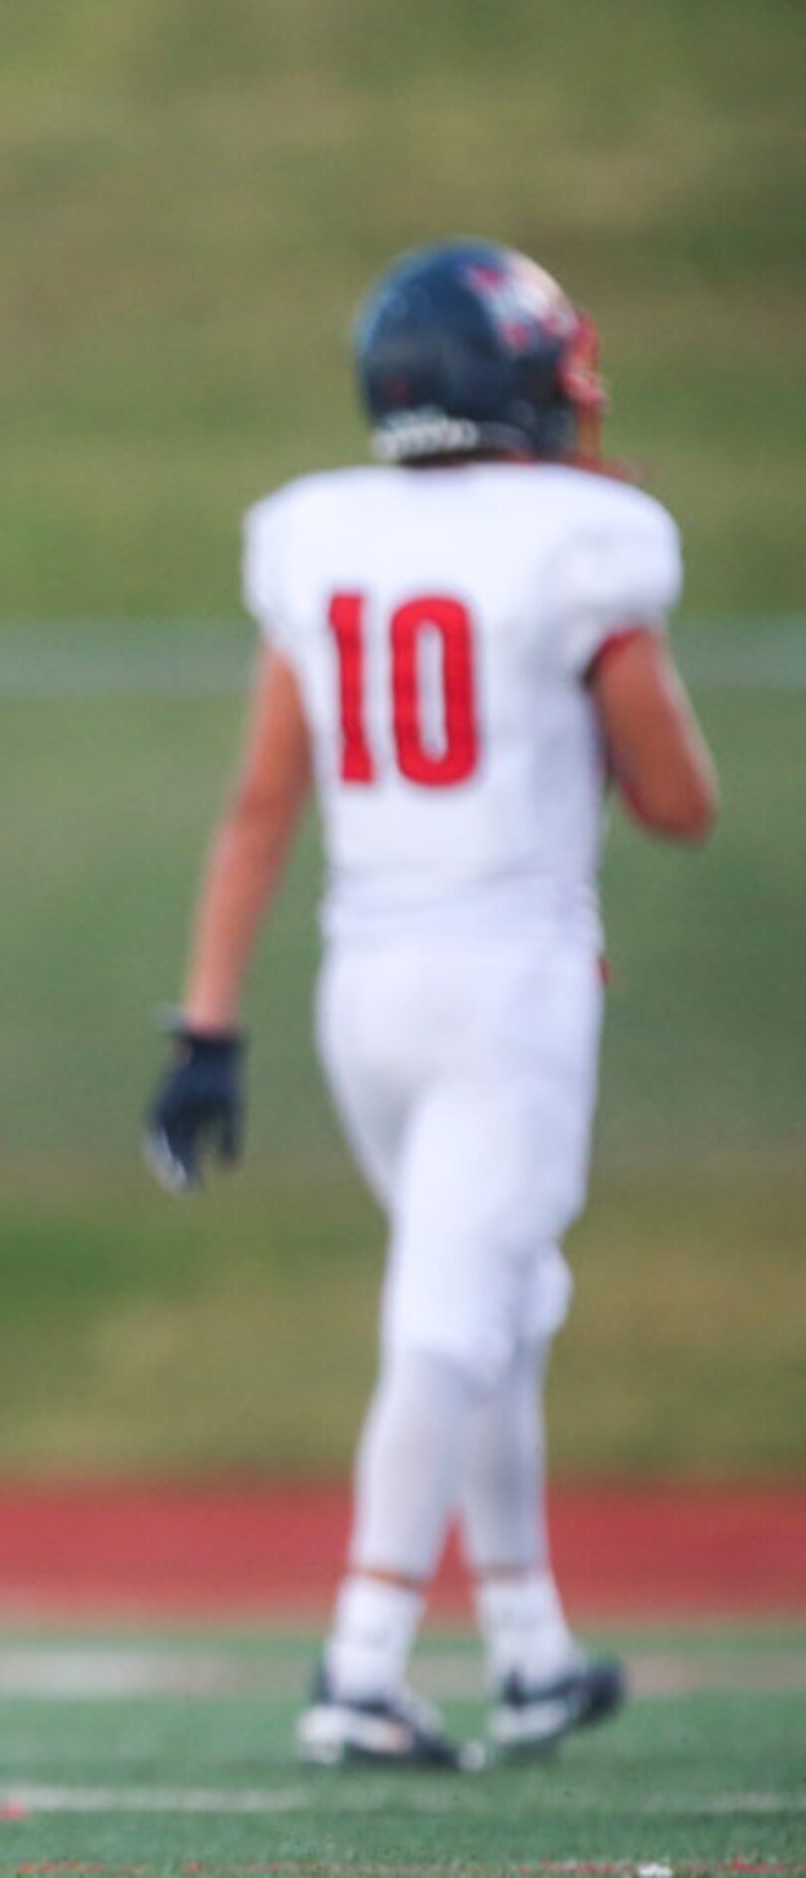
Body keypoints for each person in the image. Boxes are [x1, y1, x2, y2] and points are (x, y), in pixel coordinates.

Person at [146, 239, 717, 1771]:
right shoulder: (580, 545)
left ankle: (527, 1641)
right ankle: (365, 1657)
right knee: (456, 1320)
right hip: (509, 983)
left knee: (498, 1315)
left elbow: (261, 806)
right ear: (515, 385)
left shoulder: (324, 537)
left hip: (363, 987)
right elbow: (679, 801)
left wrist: (205, 1024)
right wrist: (609, 680)